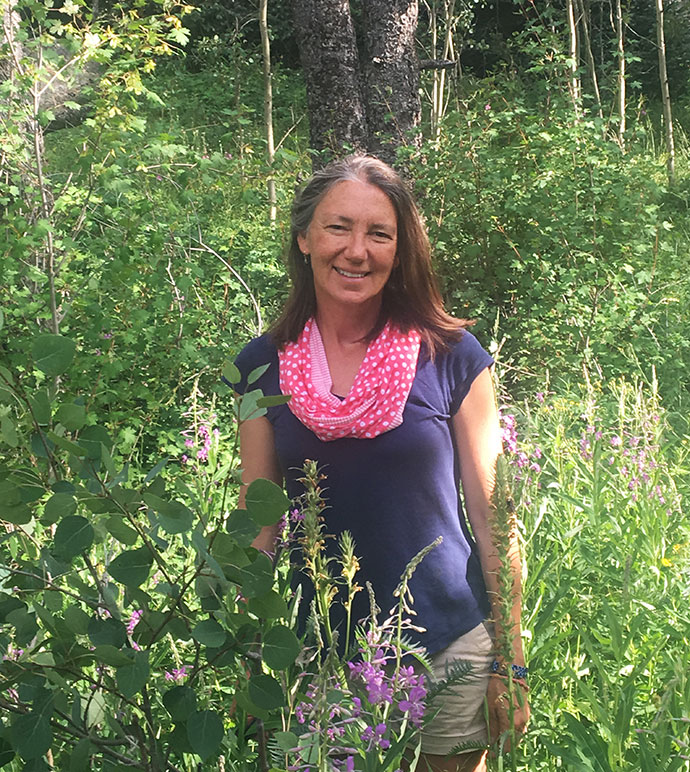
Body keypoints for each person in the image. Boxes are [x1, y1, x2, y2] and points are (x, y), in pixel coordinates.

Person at [233, 155, 529, 771]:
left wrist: (510, 659)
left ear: (401, 250)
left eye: (379, 233)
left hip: (450, 646)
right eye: (338, 227)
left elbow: (492, 514)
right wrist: (249, 653)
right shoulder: (262, 365)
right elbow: (257, 517)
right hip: (317, 652)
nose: (357, 251)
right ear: (305, 238)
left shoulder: (450, 355)